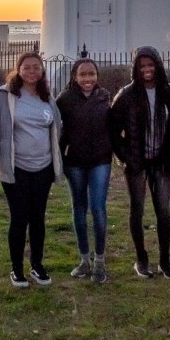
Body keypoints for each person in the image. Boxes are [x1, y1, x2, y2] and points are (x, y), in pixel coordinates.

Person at [109, 46, 170, 280]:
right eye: (142, 66)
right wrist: (126, 156)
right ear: (136, 68)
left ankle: (165, 260)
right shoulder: (126, 95)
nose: (147, 69)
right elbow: (114, 130)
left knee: (163, 211)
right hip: (137, 162)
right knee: (138, 210)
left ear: (158, 65)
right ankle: (141, 259)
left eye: (150, 65)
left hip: (162, 161)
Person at [0, 52, 63, 288]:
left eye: (36, 67)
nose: (32, 71)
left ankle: (37, 265)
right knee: (19, 217)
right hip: (16, 168)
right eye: (27, 67)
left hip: (43, 168)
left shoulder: (47, 97)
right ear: (19, 69)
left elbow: (57, 127)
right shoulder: (6, 96)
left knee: (38, 218)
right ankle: (17, 269)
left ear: (42, 71)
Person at [56, 58, 113, 283]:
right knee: (79, 209)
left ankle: (99, 260)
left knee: (98, 209)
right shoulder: (65, 99)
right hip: (75, 162)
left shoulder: (105, 97)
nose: (87, 79)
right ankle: (84, 259)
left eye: (91, 74)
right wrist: (58, 159)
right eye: (83, 75)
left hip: (100, 161)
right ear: (74, 76)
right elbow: (57, 131)